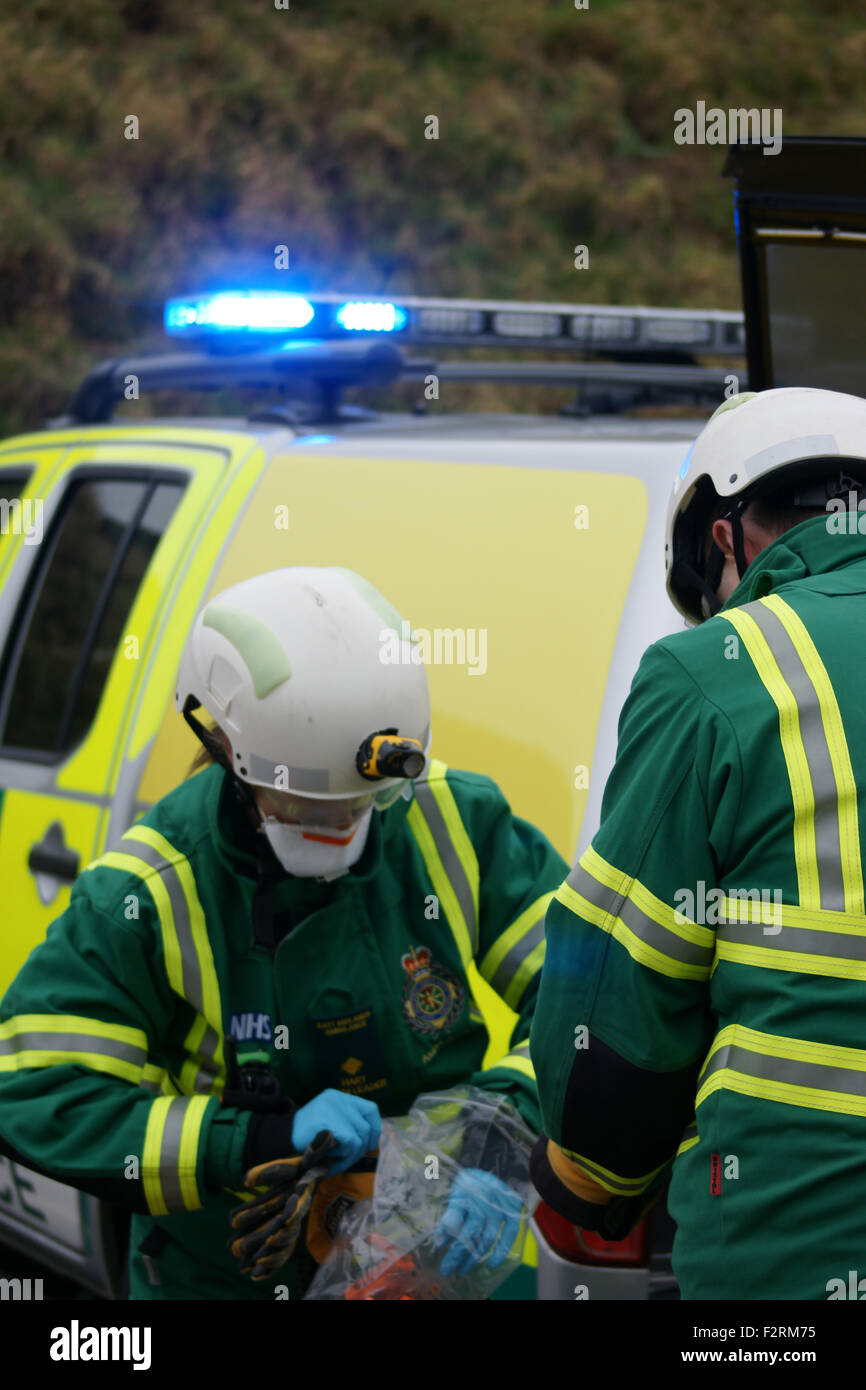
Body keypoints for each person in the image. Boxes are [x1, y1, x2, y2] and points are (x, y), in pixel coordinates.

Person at [0, 565, 567, 1299]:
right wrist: (252, 1142)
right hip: (222, 1277)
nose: (339, 826)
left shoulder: (451, 821)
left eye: (364, 802)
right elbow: (38, 1090)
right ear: (228, 750)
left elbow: (588, 1001)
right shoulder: (148, 892)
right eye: (306, 803)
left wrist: (497, 1141)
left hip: (432, 1264)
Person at [528, 387, 866, 1299]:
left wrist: (593, 1176)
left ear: (724, 540)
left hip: (800, 1232)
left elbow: (622, 979)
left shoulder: (713, 670)